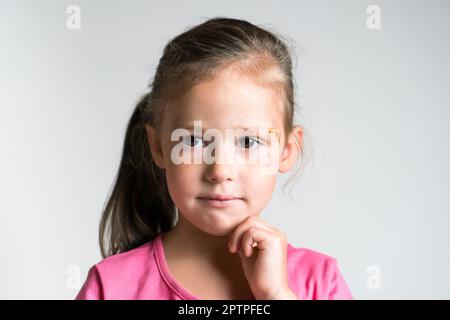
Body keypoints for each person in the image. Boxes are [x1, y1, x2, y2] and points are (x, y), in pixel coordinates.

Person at [75, 17, 353, 300]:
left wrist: (276, 295)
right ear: (158, 146)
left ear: (287, 151)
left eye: (249, 142)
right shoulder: (110, 286)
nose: (220, 170)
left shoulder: (320, 282)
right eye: (194, 141)